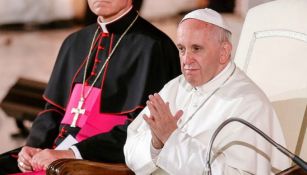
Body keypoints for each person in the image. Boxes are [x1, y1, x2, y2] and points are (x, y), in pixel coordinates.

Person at [0, 0, 181, 174]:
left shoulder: (155, 47)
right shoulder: (74, 42)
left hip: (99, 161)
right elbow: (53, 109)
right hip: (54, 151)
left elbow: (143, 130)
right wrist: (33, 147)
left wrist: (72, 153)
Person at [124, 8, 290, 175]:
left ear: (223, 52)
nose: (186, 60)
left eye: (196, 48)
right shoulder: (174, 87)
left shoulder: (249, 104)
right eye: (182, 49)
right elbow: (130, 150)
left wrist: (172, 138)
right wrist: (155, 145)